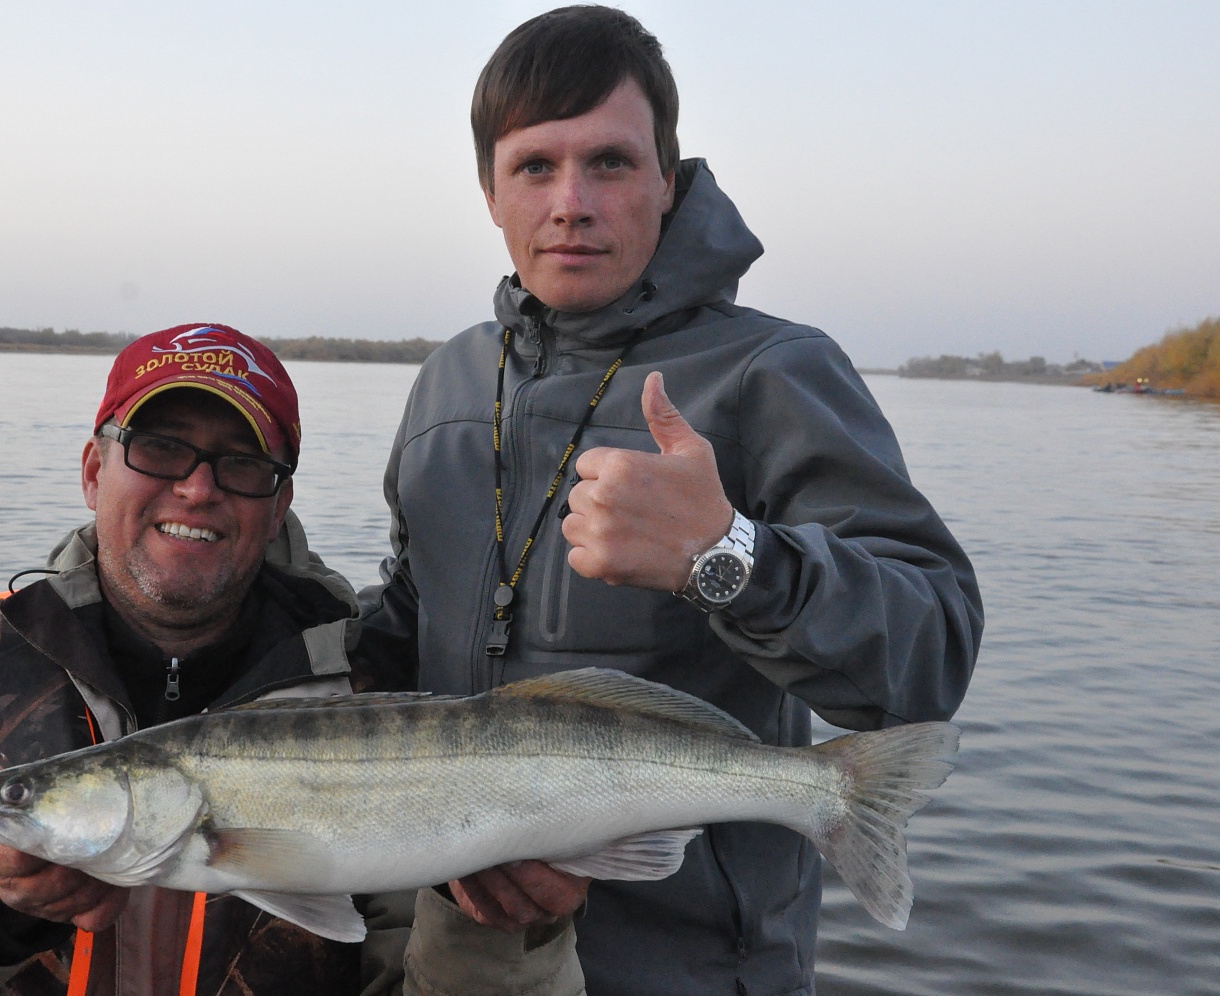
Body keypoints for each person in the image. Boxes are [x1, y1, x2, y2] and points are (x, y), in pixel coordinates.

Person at [355, 7, 984, 995]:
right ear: (488, 193)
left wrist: (727, 555)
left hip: (691, 968)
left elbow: (930, 655)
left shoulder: (775, 373)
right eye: (534, 167)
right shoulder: (446, 382)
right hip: (473, 958)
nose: (572, 203)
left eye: (609, 162)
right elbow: (405, 623)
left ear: (667, 179)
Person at [0, 323, 583, 996]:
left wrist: (503, 929)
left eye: (240, 463)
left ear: (277, 503)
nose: (198, 488)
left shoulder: (384, 710)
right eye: (160, 448)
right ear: (95, 470)